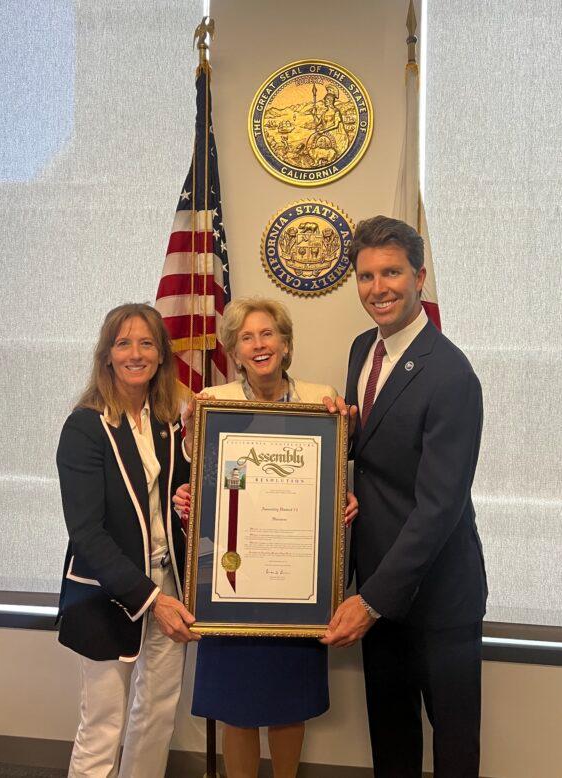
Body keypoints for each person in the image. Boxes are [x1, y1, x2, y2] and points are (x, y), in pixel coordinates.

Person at [322, 216, 488, 778]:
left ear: (419, 277)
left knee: (454, 748)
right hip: (379, 585)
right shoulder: (360, 350)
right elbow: (371, 453)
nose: (378, 288)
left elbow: (438, 508)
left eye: (391, 272)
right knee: (390, 740)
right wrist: (338, 430)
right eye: (366, 276)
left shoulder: (451, 374)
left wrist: (369, 602)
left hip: (439, 596)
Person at [176, 297, 358, 778]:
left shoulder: (321, 401)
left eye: (267, 334)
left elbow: (333, 488)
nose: (259, 345)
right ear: (234, 351)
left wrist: (345, 500)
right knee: (235, 706)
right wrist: (189, 502)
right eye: (246, 337)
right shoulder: (212, 405)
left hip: (296, 585)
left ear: (285, 343)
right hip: (230, 582)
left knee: (287, 702)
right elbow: (204, 491)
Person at [56, 303, 198, 778]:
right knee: (102, 726)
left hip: (170, 584)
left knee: (156, 718)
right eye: (123, 343)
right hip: (108, 593)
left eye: (146, 343)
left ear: (160, 356)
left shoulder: (167, 422)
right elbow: (86, 533)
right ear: (107, 355)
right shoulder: (85, 426)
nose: (135, 353)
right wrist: (152, 598)